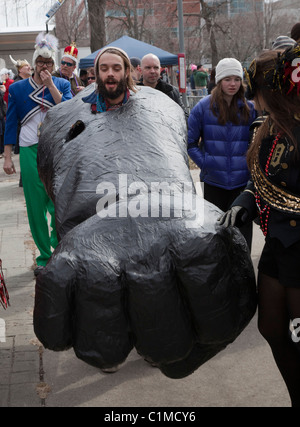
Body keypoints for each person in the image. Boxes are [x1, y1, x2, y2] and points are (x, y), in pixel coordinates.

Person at [219, 46, 300, 407]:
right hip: (277, 246)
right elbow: (259, 181)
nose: (255, 102)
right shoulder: (267, 128)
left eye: (259, 94)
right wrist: (242, 204)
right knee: (270, 327)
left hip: (299, 246)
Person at [2, 32, 72, 277]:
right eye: (41, 62)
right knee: (35, 205)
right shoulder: (18, 89)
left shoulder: (62, 84)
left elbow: (68, 111)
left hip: (57, 149)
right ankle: (44, 255)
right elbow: (11, 123)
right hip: (30, 149)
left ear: (54, 65)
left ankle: (58, 249)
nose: (45, 66)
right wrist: (8, 156)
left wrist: (51, 85)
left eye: (49, 62)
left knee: (58, 203)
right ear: (33, 63)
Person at [187, 57, 256, 249]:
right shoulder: (202, 107)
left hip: (242, 183)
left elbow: (257, 143)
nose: (232, 84)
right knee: (216, 237)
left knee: (242, 239)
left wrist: (250, 167)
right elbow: (190, 142)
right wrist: (206, 163)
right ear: (219, 81)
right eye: (227, 79)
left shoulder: (250, 109)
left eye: (236, 79)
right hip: (213, 182)